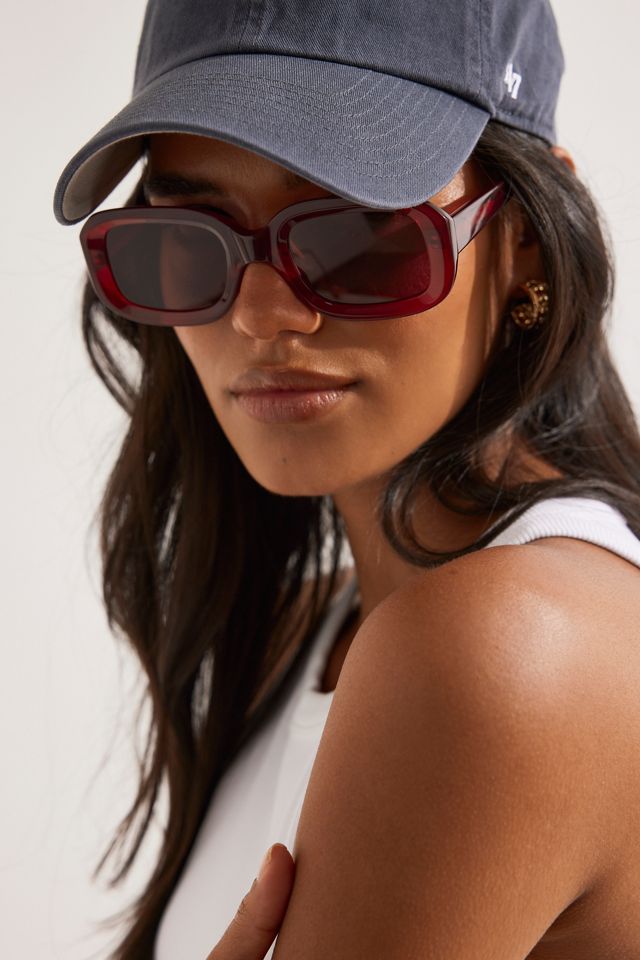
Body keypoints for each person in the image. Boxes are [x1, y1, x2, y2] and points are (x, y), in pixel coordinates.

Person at [53, 0, 640, 958]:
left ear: (527, 235)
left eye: (359, 235)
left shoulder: (504, 655)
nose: (262, 316)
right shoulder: (306, 635)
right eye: (187, 239)